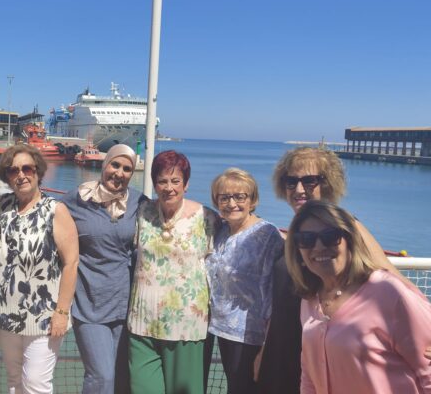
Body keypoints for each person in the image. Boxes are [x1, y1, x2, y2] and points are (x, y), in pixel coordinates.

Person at [257, 146, 431, 392]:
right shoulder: (296, 234)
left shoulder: (346, 228)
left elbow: (394, 281)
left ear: (328, 183)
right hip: (299, 346)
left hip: (331, 348)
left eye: (309, 181)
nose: (299, 189)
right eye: (291, 181)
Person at [286, 201, 431, 393]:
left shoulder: (389, 293)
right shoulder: (310, 300)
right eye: (306, 239)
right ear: (298, 250)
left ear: (350, 240)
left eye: (330, 236)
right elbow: (309, 375)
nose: (318, 246)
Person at [127, 150, 220, 394]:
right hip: (142, 322)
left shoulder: (206, 218)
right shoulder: (142, 213)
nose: (169, 188)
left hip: (186, 325)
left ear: (186, 184)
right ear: (154, 184)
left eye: (175, 181)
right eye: (162, 181)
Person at [0, 144, 79, 394]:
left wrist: (61, 312)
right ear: (7, 176)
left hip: (44, 317)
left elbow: (71, 262)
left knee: (36, 383)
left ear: (38, 171)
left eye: (27, 169)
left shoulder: (55, 210)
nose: (21, 175)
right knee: (14, 380)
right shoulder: (2, 207)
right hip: (5, 314)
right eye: (13, 170)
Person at [62, 144, 146, 394]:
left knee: (122, 377)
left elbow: (168, 217)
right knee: (101, 376)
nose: (119, 173)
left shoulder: (139, 202)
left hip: (125, 305)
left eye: (127, 169)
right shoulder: (77, 199)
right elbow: (46, 218)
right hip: (89, 304)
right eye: (115, 165)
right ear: (104, 164)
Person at [205, 168, 283, 394]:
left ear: (252, 199)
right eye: (224, 197)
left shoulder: (266, 235)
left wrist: (266, 346)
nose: (232, 203)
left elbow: (274, 294)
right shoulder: (221, 231)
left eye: (240, 197)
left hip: (250, 335)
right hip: (219, 328)